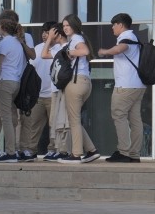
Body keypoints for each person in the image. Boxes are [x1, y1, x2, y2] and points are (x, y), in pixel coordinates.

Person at [98, 13, 146, 163]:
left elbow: (120, 49)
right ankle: (134, 154)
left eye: (114, 24)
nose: (112, 27)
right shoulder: (135, 37)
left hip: (126, 86)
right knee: (135, 119)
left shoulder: (127, 37)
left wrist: (104, 52)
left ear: (120, 24)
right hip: (137, 85)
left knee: (119, 115)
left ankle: (124, 152)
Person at [56, 14, 101, 164]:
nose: (65, 28)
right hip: (85, 82)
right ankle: (92, 150)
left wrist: (69, 53)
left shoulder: (76, 39)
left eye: (67, 25)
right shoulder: (79, 38)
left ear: (74, 25)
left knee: (73, 120)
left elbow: (84, 51)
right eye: (63, 26)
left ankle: (76, 154)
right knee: (75, 119)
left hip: (75, 82)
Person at [0, 18, 26, 163]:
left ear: (3, 28)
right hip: (15, 82)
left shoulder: (5, 42)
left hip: (5, 81)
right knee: (1, 115)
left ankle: (10, 152)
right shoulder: (18, 42)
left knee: (4, 117)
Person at [32, 22, 61, 161]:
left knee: (54, 126)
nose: (44, 34)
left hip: (53, 94)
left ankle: (53, 150)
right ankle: (30, 150)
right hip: (38, 95)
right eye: (43, 32)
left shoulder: (60, 49)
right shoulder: (37, 49)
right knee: (33, 125)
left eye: (47, 32)